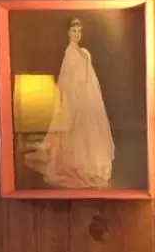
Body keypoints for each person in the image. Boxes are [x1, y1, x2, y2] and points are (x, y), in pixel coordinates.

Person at [42, 18, 115, 189]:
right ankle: (77, 166)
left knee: (89, 133)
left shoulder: (84, 53)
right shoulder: (70, 53)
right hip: (75, 99)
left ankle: (90, 167)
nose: (77, 34)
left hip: (86, 98)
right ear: (68, 33)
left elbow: (89, 78)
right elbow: (66, 81)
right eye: (74, 31)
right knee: (76, 135)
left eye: (79, 31)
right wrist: (73, 99)